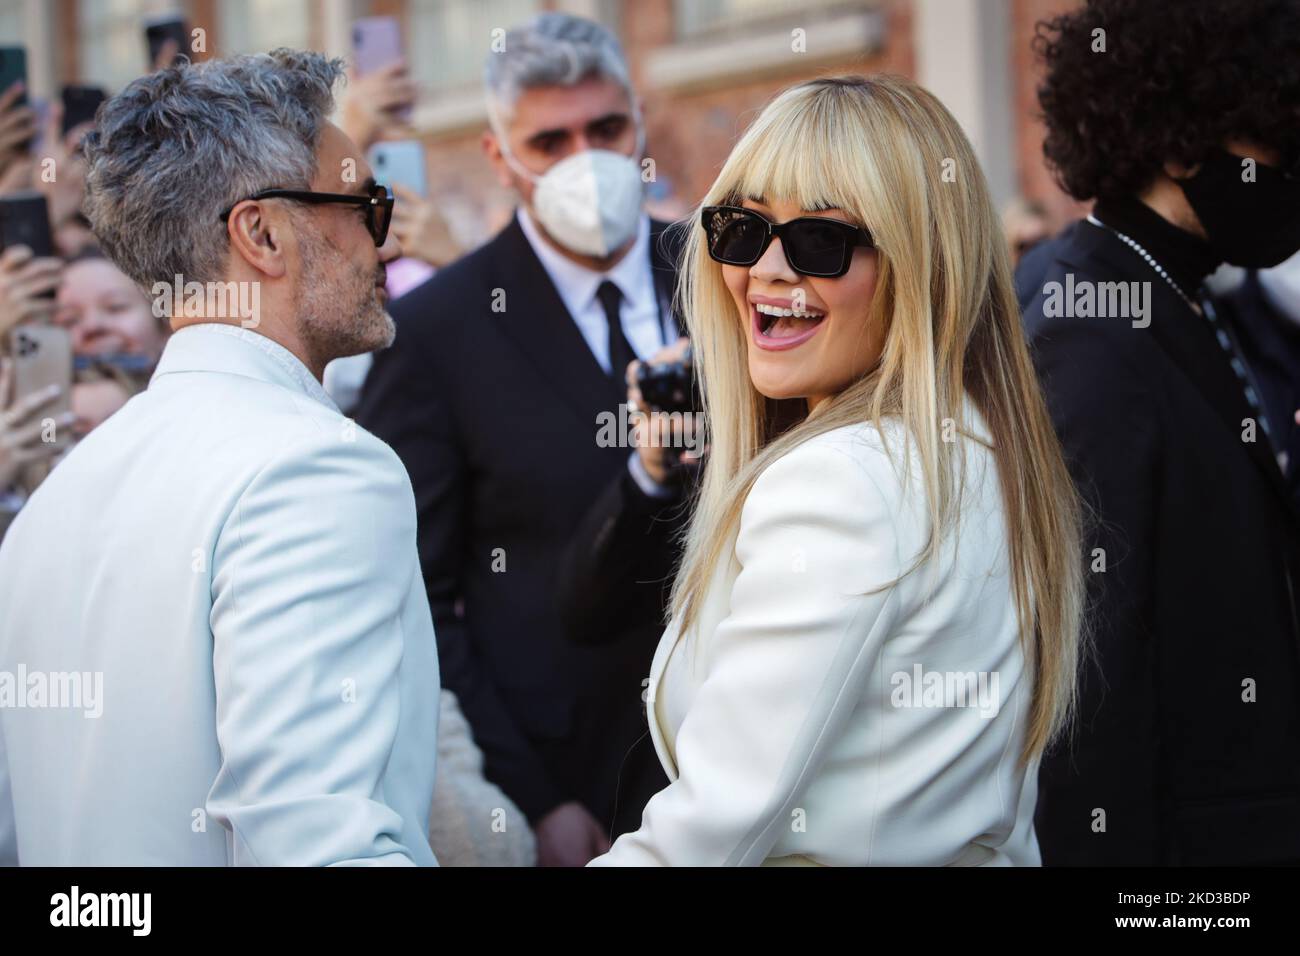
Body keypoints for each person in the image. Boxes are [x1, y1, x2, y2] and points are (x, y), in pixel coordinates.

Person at [589, 73, 1086, 866]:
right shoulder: (977, 447)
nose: (768, 272)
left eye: (822, 239)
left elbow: (706, 833)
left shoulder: (842, 482)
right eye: (742, 229)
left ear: (926, 267)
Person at [0, 49, 440, 866]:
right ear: (264, 234)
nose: (387, 236)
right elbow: (318, 843)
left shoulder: (54, 506)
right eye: (364, 204)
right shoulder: (318, 469)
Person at [356, 12, 684, 866]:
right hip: (566, 777)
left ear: (638, 122)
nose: (587, 160)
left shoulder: (722, 276)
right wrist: (529, 799)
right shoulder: (435, 332)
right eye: (551, 140)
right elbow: (418, 595)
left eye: (607, 129)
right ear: (502, 159)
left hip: (735, 746)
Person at [1019, 0, 1300, 865]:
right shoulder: (1086, 327)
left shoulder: (1174, 287)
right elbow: (1087, 692)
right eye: (1280, 148)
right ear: (1183, 144)